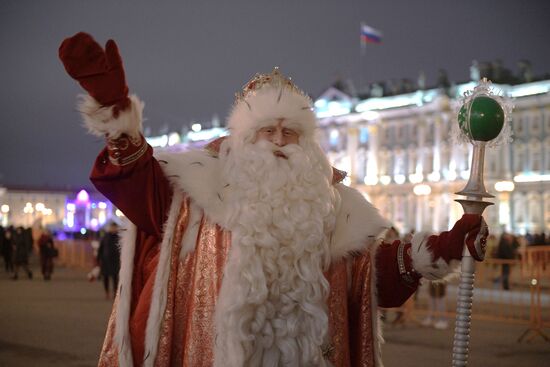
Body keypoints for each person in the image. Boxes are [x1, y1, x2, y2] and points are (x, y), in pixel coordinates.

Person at [59, 32, 488, 367]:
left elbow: (369, 280)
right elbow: (137, 183)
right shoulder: (198, 191)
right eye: (268, 130)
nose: (280, 142)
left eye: (291, 132)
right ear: (244, 137)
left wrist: (440, 249)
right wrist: (116, 114)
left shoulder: (334, 207)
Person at [97, 222, 121, 299]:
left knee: (115, 279)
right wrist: (98, 259)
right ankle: (107, 292)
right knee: (106, 278)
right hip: (105, 261)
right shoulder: (105, 237)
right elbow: (100, 249)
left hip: (115, 261)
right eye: (112, 227)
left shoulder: (119, 237)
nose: (113, 229)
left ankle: (115, 293)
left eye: (114, 227)